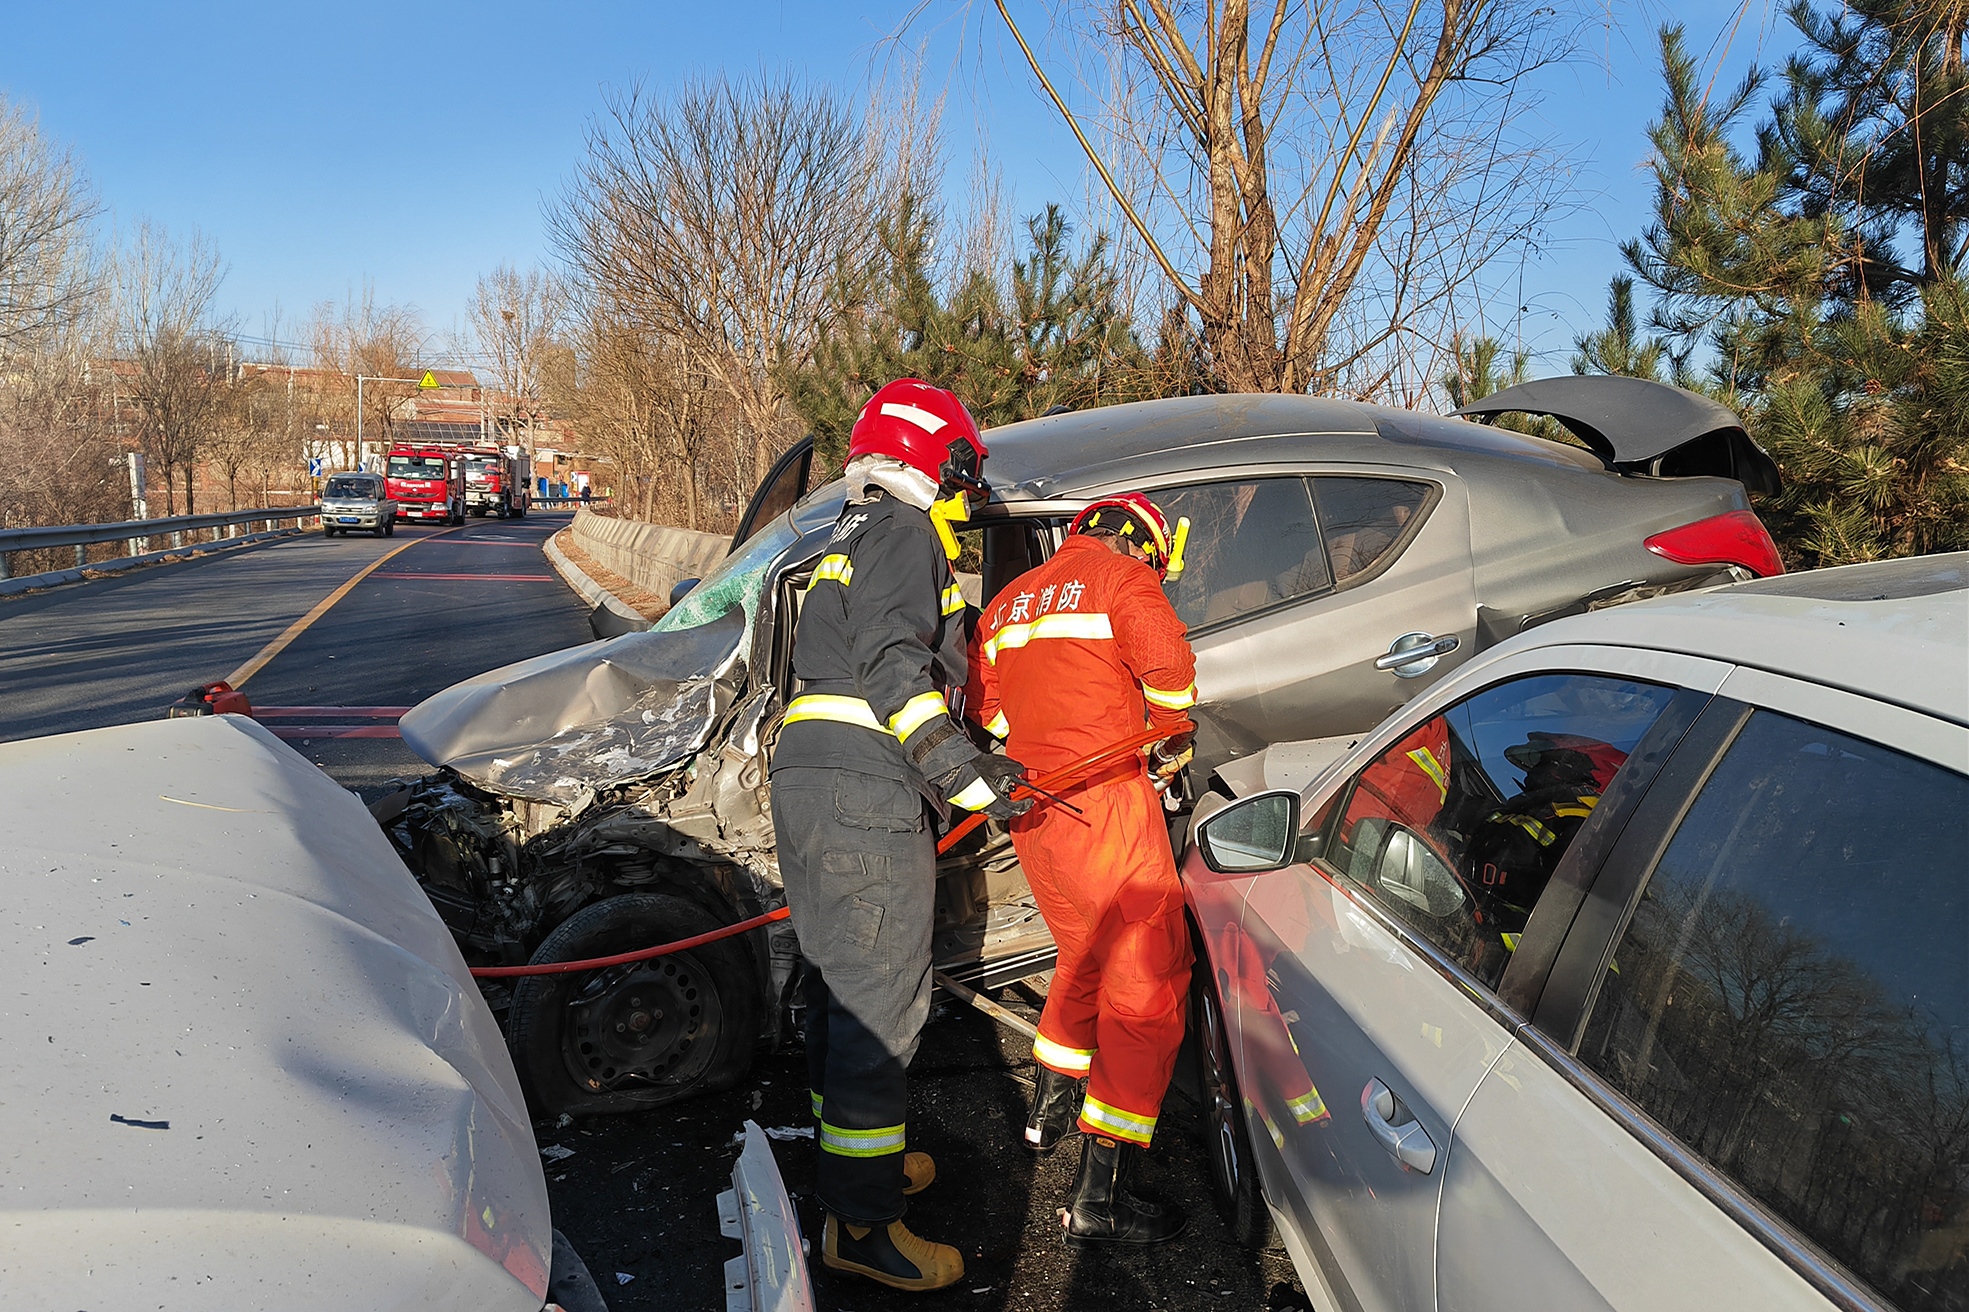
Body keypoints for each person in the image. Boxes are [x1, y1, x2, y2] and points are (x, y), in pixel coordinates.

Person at [768, 378, 1029, 1292]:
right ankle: (863, 1227)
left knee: (837, 990)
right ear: (938, 457)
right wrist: (962, 773)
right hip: (863, 791)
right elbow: (892, 662)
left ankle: (852, 1170)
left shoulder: (845, 534)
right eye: (964, 469)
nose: (969, 488)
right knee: (881, 1001)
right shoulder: (910, 534)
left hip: (809, 778)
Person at [967, 490, 1198, 1247]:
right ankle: (1099, 1195)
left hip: (1037, 813)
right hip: (1105, 805)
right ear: (1141, 544)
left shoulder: (1006, 602)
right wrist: (1167, 731)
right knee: (1147, 983)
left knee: (1084, 954)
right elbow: (1169, 676)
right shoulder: (1120, 581)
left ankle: (1050, 1102)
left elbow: (989, 712)